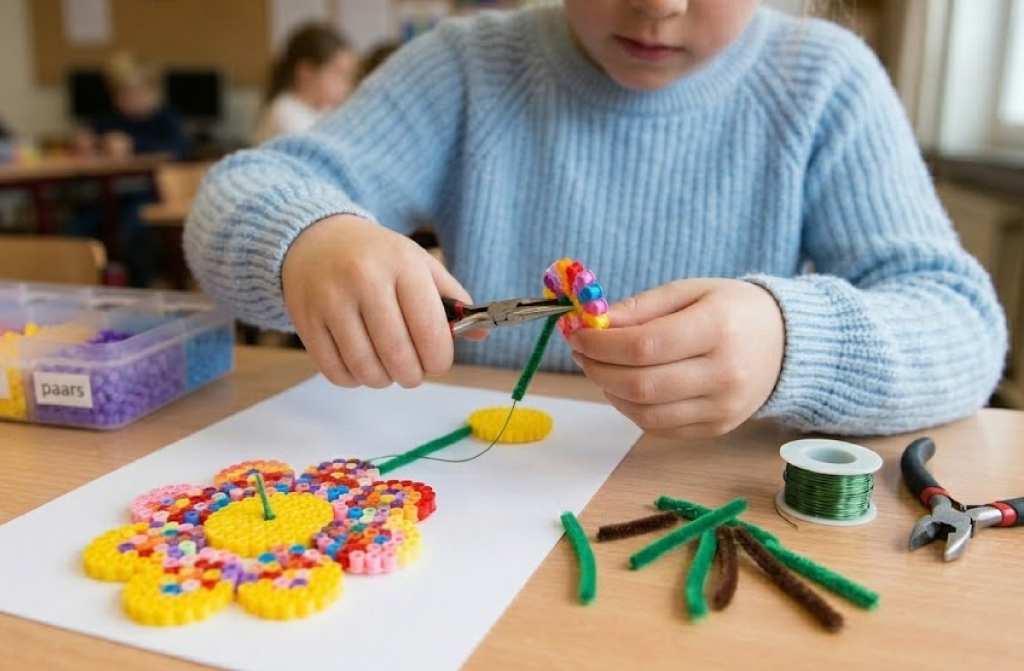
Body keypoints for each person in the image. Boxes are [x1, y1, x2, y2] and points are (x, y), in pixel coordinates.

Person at [185, 1, 1008, 439]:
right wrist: (309, 239)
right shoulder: (469, 65)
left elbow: (963, 324)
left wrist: (794, 341)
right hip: (477, 501)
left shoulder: (826, 83)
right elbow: (244, 190)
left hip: (698, 516)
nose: (659, 6)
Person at [70, 52, 189, 287]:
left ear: (154, 90)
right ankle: (87, 282)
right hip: (109, 193)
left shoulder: (166, 119)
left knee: (133, 229)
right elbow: (94, 138)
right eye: (121, 94)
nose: (127, 100)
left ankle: (138, 285)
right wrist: (89, 142)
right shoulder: (109, 118)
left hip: (148, 193)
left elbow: (179, 150)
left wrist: (134, 145)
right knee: (77, 226)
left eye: (134, 93)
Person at [252, 23, 358, 144]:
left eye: (348, 76)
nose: (346, 84)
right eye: (337, 74)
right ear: (306, 73)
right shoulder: (284, 112)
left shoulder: (322, 109)